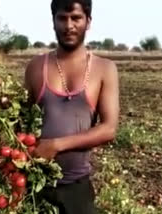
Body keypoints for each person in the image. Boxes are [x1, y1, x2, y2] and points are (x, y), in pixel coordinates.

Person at [24, 0, 120, 213]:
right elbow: (21, 121)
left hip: (77, 188)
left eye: (76, 18)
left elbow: (109, 129)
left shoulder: (104, 69)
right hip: (35, 186)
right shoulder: (36, 66)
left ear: (88, 22)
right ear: (53, 21)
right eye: (62, 18)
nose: (69, 25)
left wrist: (56, 145)